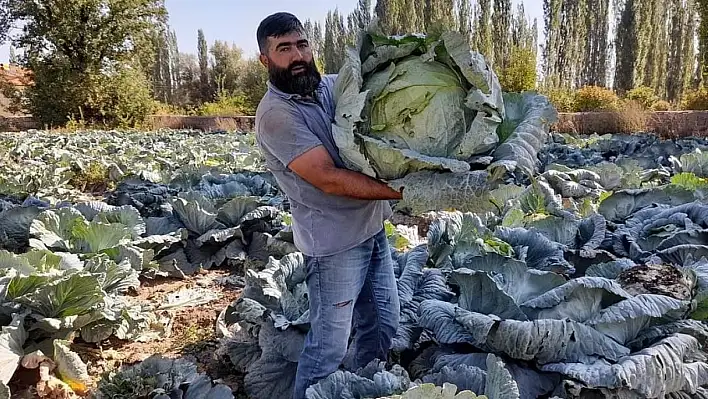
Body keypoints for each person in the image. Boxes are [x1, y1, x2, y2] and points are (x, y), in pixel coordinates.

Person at [254, 12, 403, 399]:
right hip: (334, 244)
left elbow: (376, 87)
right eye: (284, 48)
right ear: (265, 60)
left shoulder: (328, 87)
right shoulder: (276, 115)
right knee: (328, 347)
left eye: (302, 44)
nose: (298, 54)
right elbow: (327, 178)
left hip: (371, 229)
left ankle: (364, 387)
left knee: (384, 324)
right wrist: (403, 191)